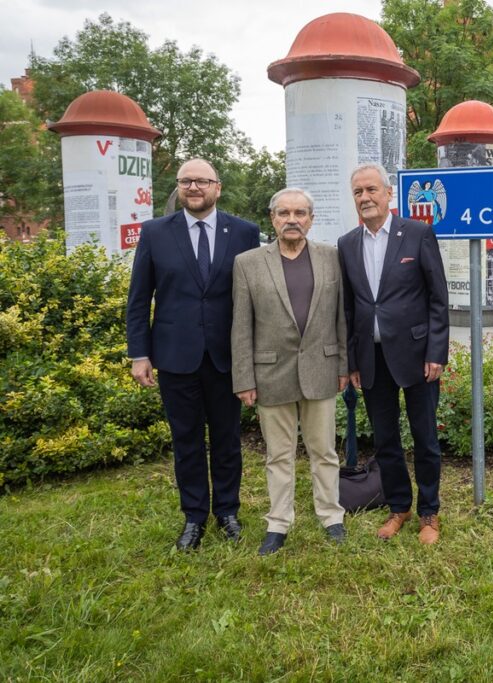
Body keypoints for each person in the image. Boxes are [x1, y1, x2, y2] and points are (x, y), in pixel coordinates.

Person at [126, 158, 260, 550]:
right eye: (186, 181)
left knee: (227, 439)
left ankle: (228, 512)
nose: (194, 187)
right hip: (174, 356)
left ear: (218, 187)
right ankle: (194, 517)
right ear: (178, 188)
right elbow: (139, 299)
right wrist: (139, 353)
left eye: (202, 181)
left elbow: (252, 298)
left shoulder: (244, 232)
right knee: (185, 441)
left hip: (226, 356)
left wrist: (252, 355)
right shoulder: (154, 233)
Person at [231, 188, 349, 556]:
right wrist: (244, 378)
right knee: (278, 455)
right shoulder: (248, 263)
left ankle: (331, 516)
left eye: (300, 213)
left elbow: (341, 317)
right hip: (270, 373)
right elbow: (241, 326)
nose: (292, 219)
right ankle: (278, 523)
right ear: (273, 219)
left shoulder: (332, 258)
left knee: (324, 451)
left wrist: (344, 364)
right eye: (284, 213)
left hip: (322, 368)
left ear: (311, 219)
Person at [337, 163, 449, 544]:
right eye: (358, 192)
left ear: (389, 194)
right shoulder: (347, 244)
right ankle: (399, 507)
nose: (365, 198)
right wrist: (351, 360)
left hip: (418, 357)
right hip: (371, 359)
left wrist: (437, 352)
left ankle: (429, 513)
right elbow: (350, 308)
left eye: (371, 190)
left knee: (425, 437)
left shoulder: (417, 234)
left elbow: (438, 298)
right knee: (385, 440)